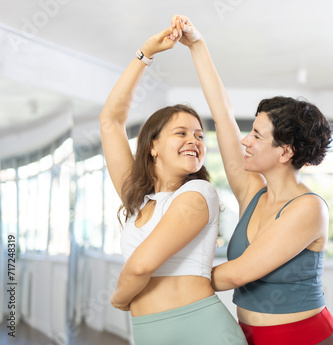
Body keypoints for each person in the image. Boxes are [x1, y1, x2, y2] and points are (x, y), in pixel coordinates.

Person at [171, 15, 333, 345]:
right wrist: (197, 45)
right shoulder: (253, 192)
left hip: (306, 338)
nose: (245, 141)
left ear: (285, 152)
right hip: (252, 337)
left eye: (256, 135)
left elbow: (236, 273)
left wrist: (159, 274)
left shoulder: (309, 209)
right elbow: (222, 116)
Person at [100, 24, 247, 345]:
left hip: (201, 329)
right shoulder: (138, 199)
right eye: (181, 133)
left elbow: (140, 266)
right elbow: (110, 120)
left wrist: (119, 298)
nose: (193, 140)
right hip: (149, 333)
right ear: (152, 145)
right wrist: (145, 54)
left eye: (198, 135)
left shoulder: (198, 194)